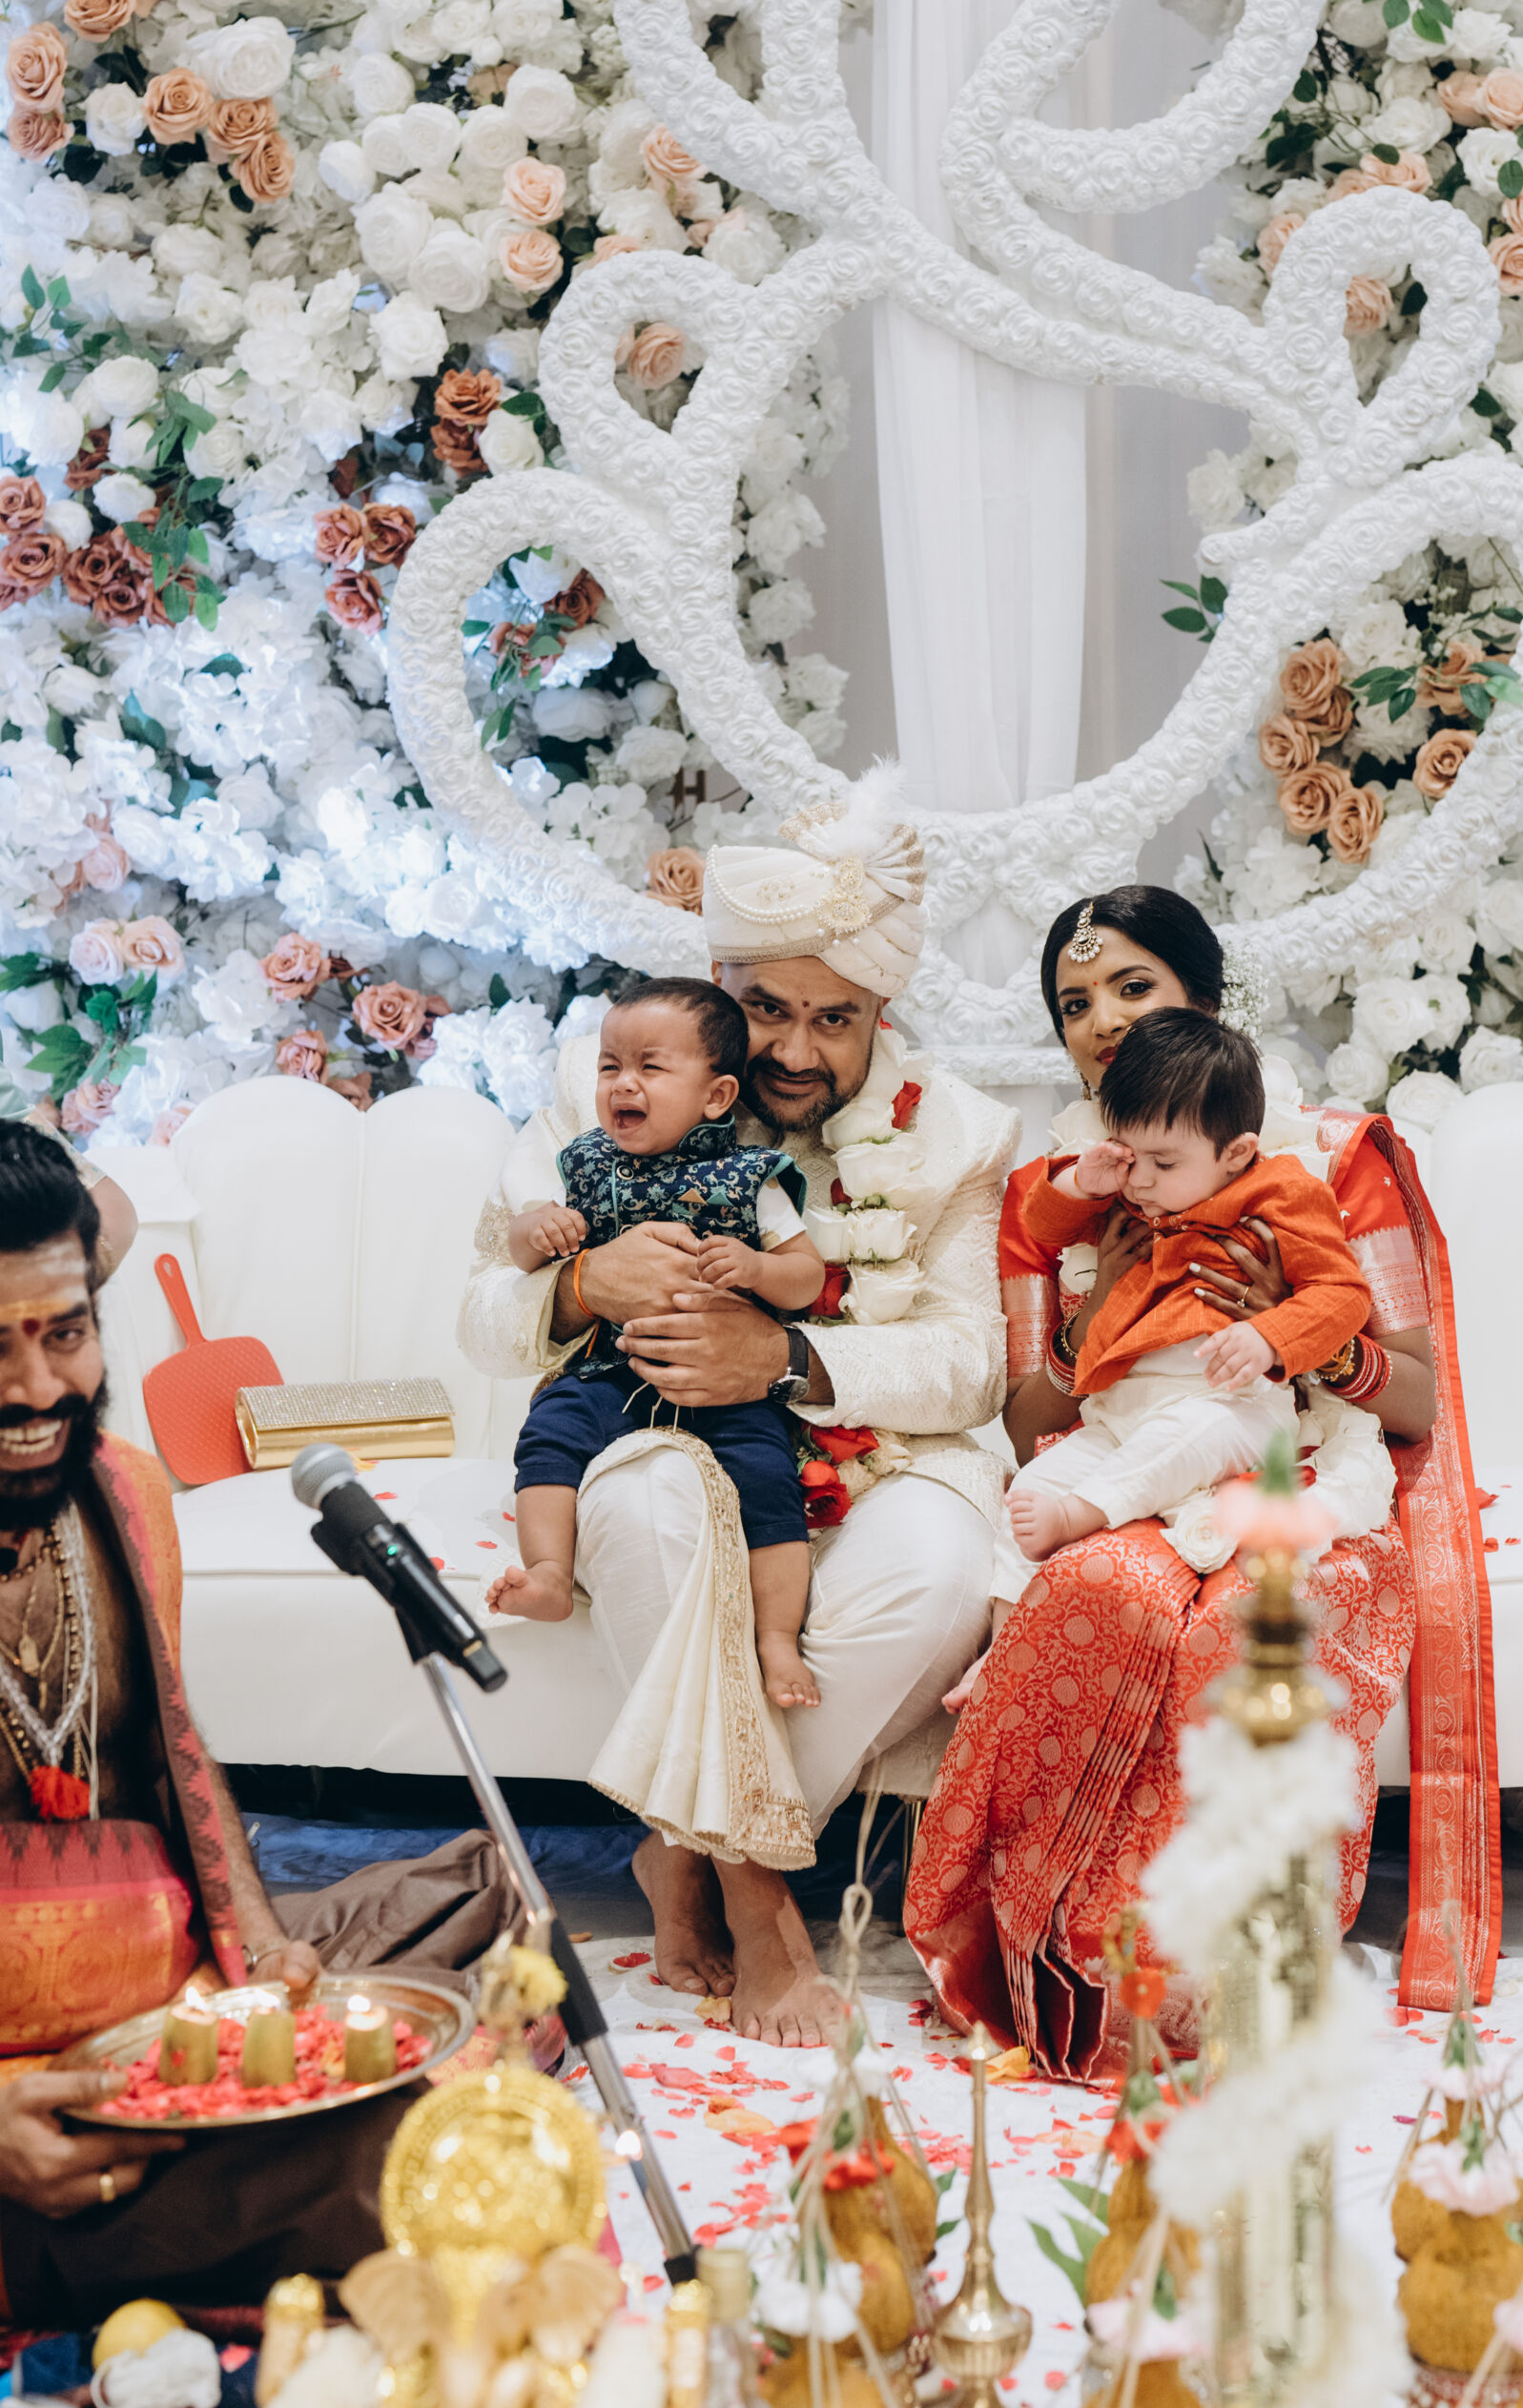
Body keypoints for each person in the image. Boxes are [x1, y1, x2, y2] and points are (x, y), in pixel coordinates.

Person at [904, 885, 1499, 2075]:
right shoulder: (1053, 1193)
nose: (1102, 1019)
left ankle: (1225, 1981)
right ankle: (1051, 1964)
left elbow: (1415, 1397)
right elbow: (1026, 1418)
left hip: (1296, 1469)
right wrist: (1095, 1323)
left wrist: (1292, 1333)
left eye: (1133, 986)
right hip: (1128, 1467)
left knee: (1250, 1623)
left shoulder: (1328, 1161)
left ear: (1207, 999)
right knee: (1101, 1596)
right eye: (1075, 1002)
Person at [459, 781, 1019, 2047]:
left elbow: (972, 1366)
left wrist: (784, 1357)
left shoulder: (957, 1136)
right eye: (767, 1008)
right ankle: (761, 1905)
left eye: (836, 1018)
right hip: (636, 1425)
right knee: (656, 1510)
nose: (796, 1051)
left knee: (939, 1574)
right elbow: (482, 1314)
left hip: (876, 1460)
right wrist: (581, 1285)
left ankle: (681, 1854)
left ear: (882, 1016)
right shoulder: (607, 1086)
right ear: (719, 987)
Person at [0, 1120, 512, 2323]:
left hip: (163, 2018)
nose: (37, 1389)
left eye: (64, 1335)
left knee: (489, 1896)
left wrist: (257, 1950)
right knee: (438, 2166)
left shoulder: (123, 1489)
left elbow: (173, 1754)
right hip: (48, 2116)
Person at [488, 981, 827, 1712]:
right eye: (610, 1066)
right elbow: (518, 1252)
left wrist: (756, 1268)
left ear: (716, 1095)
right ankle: (548, 1573)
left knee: (769, 1481)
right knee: (549, 1432)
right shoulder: (587, 1165)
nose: (623, 1084)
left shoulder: (750, 1178)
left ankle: (777, 1639)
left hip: (728, 1384)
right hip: (614, 1368)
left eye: (649, 1067)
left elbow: (806, 1277)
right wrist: (537, 1232)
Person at [1007, 1010, 1373, 1563]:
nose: (1141, 1178)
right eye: (1129, 1153)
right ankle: (1005, 1614)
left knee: (1188, 1435)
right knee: (1029, 1491)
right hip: (1121, 1409)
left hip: (1233, 1406)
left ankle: (1079, 1515)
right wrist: (1082, 1182)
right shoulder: (1129, 1193)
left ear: (1236, 1153)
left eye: (1164, 1161)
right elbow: (1043, 1227)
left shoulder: (1283, 1193)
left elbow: (1344, 1293)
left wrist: (1270, 1337)